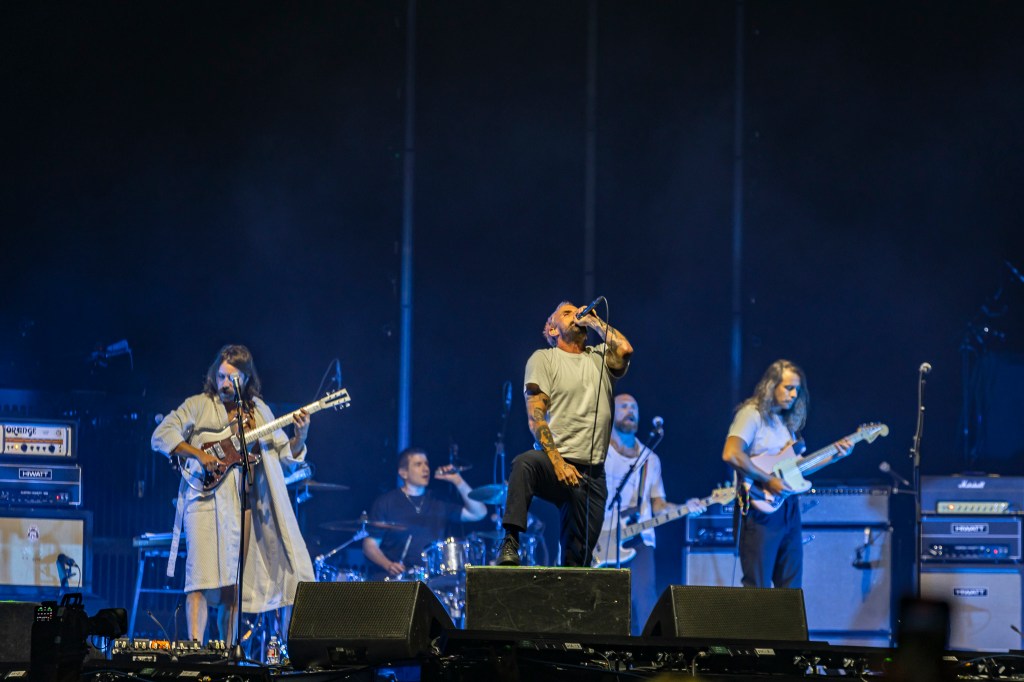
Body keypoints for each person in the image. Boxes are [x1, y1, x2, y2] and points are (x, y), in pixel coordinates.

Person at [151, 344, 315, 644]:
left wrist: (300, 436)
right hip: (203, 502)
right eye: (221, 376)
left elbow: (284, 455)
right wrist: (199, 454)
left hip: (244, 506)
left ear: (246, 379)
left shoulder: (259, 411)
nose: (225, 383)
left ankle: (228, 653)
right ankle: (195, 647)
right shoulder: (198, 404)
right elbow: (162, 435)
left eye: (232, 378)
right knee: (199, 581)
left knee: (234, 587)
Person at [498, 300, 633, 567]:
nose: (576, 315)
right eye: (567, 313)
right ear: (552, 329)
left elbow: (625, 350)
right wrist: (558, 462)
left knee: (578, 563)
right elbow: (535, 417)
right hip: (554, 461)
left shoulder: (600, 356)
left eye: (577, 312)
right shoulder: (544, 359)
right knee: (525, 464)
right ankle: (510, 541)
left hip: (592, 474)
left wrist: (594, 321)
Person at [721, 359, 854, 589]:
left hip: (788, 507)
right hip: (758, 507)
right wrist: (769, 480)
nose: (793, 395)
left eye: (797, 390)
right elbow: (731, 453)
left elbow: (797, 469)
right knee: (758, 587)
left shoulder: (786, 424)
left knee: (791, 587)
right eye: (788, 387)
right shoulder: (751, 415)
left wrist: (835, 456)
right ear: (771, 386)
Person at [601, 393, 707, 635]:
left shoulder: (650, 459)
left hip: (639, 538)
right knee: (601, 598)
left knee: (644, 597)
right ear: (611, 413)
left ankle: (646, 651)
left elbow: (658, 505)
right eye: (624, 406)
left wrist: (684, 507)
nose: (631, 411)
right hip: (600, 536)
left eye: (634, 407)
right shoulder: (599, 452)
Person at [362, 447, 487, 579]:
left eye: (426, 464)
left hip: (433, 579)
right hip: (396, 578)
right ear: (404, 473)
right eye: (418, 464)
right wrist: (388, 565)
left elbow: (479, 513)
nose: (426, 468)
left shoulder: (439, 500)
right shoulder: (386, 502)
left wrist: (458, 481)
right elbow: (370, 545)